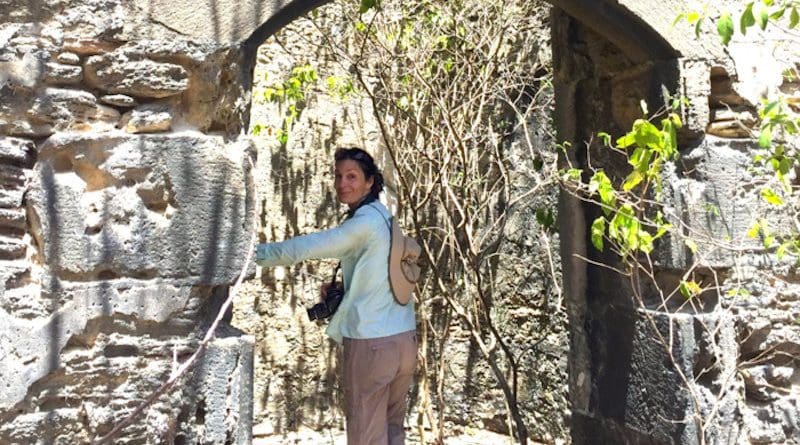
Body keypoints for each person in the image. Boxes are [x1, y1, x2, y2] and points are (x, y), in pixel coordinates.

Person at [255, 147, 417, 445]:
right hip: (404, 340)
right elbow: (380, 273)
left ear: (370, 182)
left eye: (352, 176)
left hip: (373, 345)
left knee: (366, 435)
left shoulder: (363, 224)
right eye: (338, 176)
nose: (343, 183)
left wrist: (253, 255)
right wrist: (345, 290)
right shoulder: (384, 217)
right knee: (393, 430)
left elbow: (307, 247)